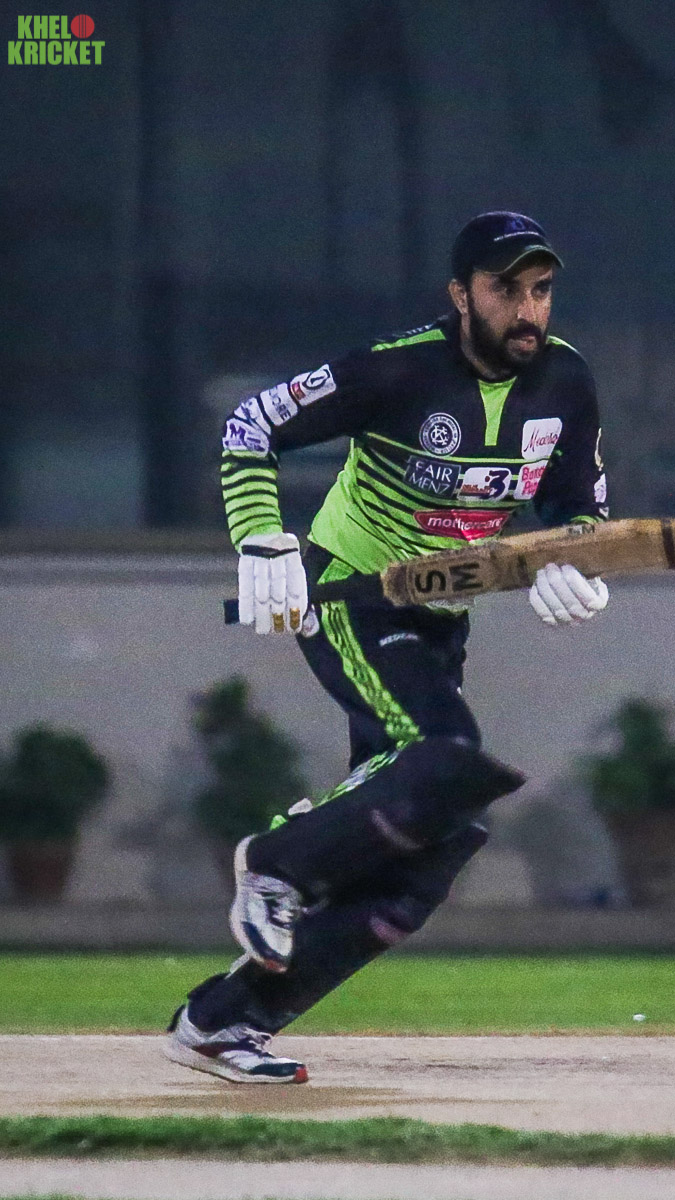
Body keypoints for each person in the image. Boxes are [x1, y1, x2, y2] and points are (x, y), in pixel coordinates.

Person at [165, 211, 610, 1083]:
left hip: (442, 617)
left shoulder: (566, 381)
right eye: (505, 289)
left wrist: (573, 557)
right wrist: (262, 539)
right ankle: (277, 864)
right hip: (353, 591)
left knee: (433, 847)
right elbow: (252, 422)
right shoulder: (398, 367)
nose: (527, 309)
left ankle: (222, 1021)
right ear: (461, 296)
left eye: (541, 290)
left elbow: (577, 505)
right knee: (445, 754)